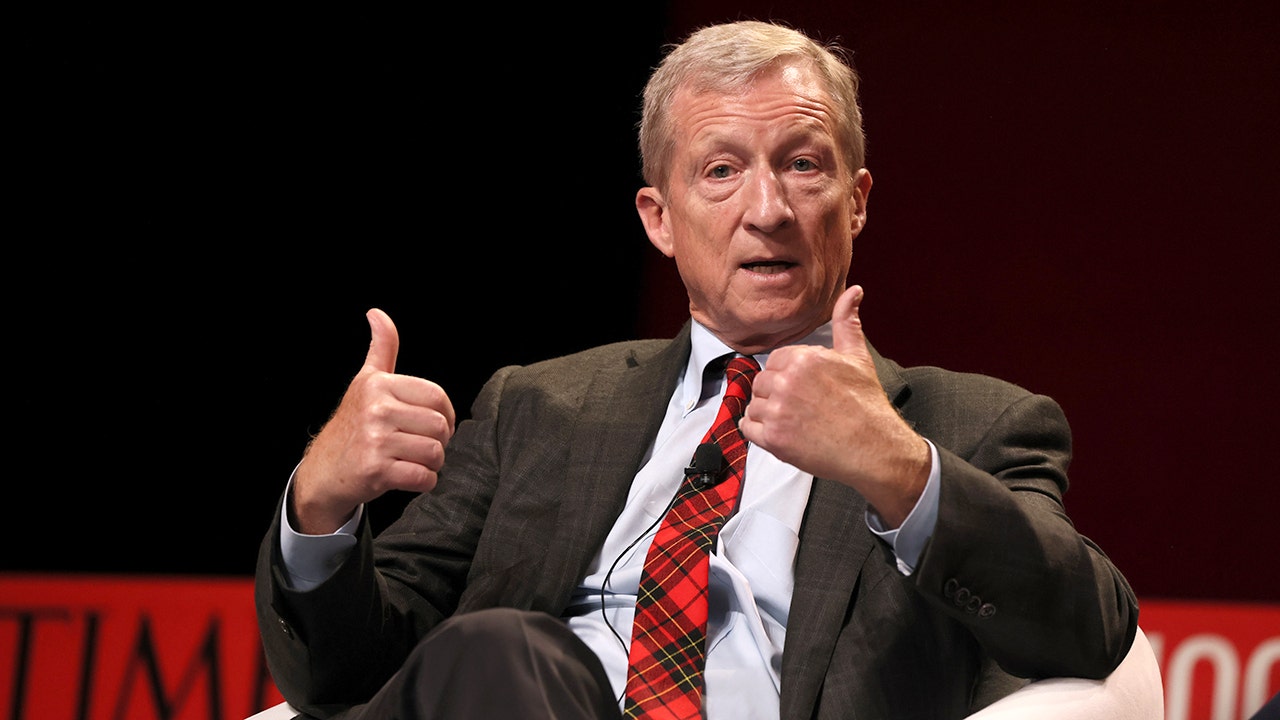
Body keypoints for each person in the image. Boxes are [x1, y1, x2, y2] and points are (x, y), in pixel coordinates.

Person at [255, 19, 1138, 720]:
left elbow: (1089, 633)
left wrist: (900, 471)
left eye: (803, 165)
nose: (768, 209)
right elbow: (347, 672)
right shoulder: (538, 406)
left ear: (857, 202)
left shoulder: (971, 424)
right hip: (523, 696)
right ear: (659, 218)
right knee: (500, 653)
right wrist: (321, 506)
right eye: (721, 171)